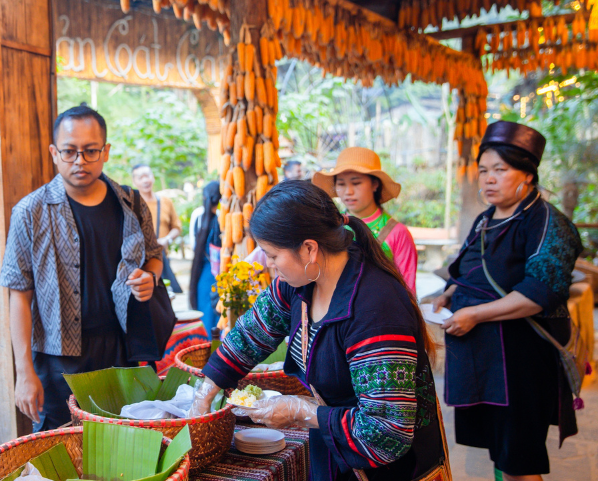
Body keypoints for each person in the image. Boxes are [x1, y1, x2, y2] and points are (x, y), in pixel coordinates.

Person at [191, 181, 446, 481]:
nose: (268, 264)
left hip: (390, 469)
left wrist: (303, 411)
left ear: (309, 248)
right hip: (334, 449)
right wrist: (205, 392)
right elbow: (250, 334)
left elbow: (386, 432)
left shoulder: (376, 309)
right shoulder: (299, 284)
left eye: (272, 255)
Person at [432, 121, 583, 481]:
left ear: (528, 175)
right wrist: (450, 293)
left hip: (522, 360)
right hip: (482, 359)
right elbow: (470, 271)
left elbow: (540, 292)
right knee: (501, 452)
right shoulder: (486, 219)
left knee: (520, 458)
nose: (489, 179)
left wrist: (475, 314)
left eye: (501, 170)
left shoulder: (548, 221)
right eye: (484, 170)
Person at [0, 105, 163, 431]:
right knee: (60, 449)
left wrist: (151, 276)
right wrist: (24, 373)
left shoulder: (130, 203)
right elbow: (18, 295)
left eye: (90, 151)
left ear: (105, 151)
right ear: (54, 153)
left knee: (123, 444)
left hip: (121, 349)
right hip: (57, 359)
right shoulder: (29, 212)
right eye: (70, 151)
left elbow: (153, 255)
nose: (79, 161)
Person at [313, 147, 417, 293]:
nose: (348, 191)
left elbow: (407, 291)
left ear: (375, 184)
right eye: (341, 184)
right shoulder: (330, 227)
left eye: (356, 183)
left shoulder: (397, 233)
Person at [131, 163, 183, 293]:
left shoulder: (165, 202)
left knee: (167, 295)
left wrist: (167, 240)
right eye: (140, 177)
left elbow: (176, 227)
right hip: (141, 263)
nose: (145, 180)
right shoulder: (131, 205)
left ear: (153, 177)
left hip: (163, 257)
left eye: (147, 175)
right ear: (134, 181)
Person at [188, 181, 222, 334]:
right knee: (218, 318)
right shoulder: (223, 217)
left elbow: (194, 246)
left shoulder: (197, 216)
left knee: (205, 317)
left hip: (202, 274)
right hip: (220, 273)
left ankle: (203, 351)